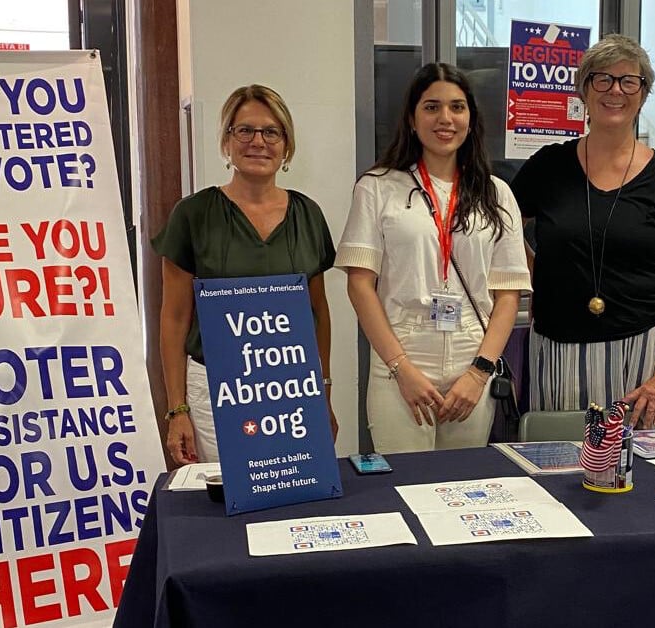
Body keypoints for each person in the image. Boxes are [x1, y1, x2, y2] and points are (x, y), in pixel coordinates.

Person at [511, 35, 655, 429]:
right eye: (602, 79)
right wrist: (536, 275)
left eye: (629, 81)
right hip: (559, 352)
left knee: (646, 476)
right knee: (564, 467)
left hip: (647, 355)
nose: (615, 90)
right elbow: (500, 229)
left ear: (643, 93)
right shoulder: (548, 166)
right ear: (584, 91)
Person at [336, 63, 530, 454]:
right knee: (405, 486)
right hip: (401, 359)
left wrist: (479, 374)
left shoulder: (497, 194)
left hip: (471, 360)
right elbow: (360, 285)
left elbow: (508, 294)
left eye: (457, 107)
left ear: (471, 119)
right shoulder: (378, 187)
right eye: (431, 107)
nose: (445, 118)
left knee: (460, 486)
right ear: (412, 118)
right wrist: (401, 369)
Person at [153, 85, 337, 465]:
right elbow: (173, 320)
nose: (258, 141)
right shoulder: (193, 215)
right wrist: (177, 410)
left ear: (286, 146)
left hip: (291, 388)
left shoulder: (308, 215)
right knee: (226, 505)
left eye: (272, 132)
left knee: (291, 495)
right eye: (245, 130)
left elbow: (318, 313)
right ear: (226, 142)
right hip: (216, 388)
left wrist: (324, 392)